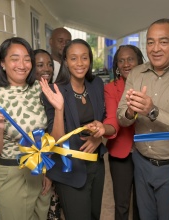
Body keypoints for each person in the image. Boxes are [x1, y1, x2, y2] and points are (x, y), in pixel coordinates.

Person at [0, 37, 52, 220]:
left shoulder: (39, 89)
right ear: (2, 63)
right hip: (10, 175)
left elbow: (47, 135)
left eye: (27, 59)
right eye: (14, 58)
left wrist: (45, 170)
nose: (22, 64)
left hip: (38, 169)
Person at [117, 18, 169, 220]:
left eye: (163, 42)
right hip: (142, 163)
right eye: (150, 42)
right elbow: (122, 118)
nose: (155, 49)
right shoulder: (137, 73)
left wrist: (153, 111)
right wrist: (131, 112)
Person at [40, 38, 107, 220]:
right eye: (73, 58)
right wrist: (59, 108)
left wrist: (98, 137)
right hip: (69, 169)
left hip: (96, 164)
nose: (80, 63)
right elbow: (56, 140)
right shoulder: (54, 92)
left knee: (94, 215)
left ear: (90, 60)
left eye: (84, 58)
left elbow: (104, 118)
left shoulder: (96, 85)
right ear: (66, 62)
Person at [103, 45, 144, 220]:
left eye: (130, 59)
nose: (126, 64)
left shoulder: (148, 85)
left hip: (146, 152)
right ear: (117, 66)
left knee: (141, 203)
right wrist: (104, 129)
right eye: (121, 60)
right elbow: (113, 118)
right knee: (122, 203)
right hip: (121, 152)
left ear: (139, 61)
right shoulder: (111, 88)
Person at [33, 48, 62, 220]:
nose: (47, 69)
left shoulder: (54, 90)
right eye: (40, 65)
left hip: (56, 158)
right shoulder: (31, 96)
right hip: (40, 162)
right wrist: (46, 171)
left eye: (50, 64)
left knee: (54, 209)